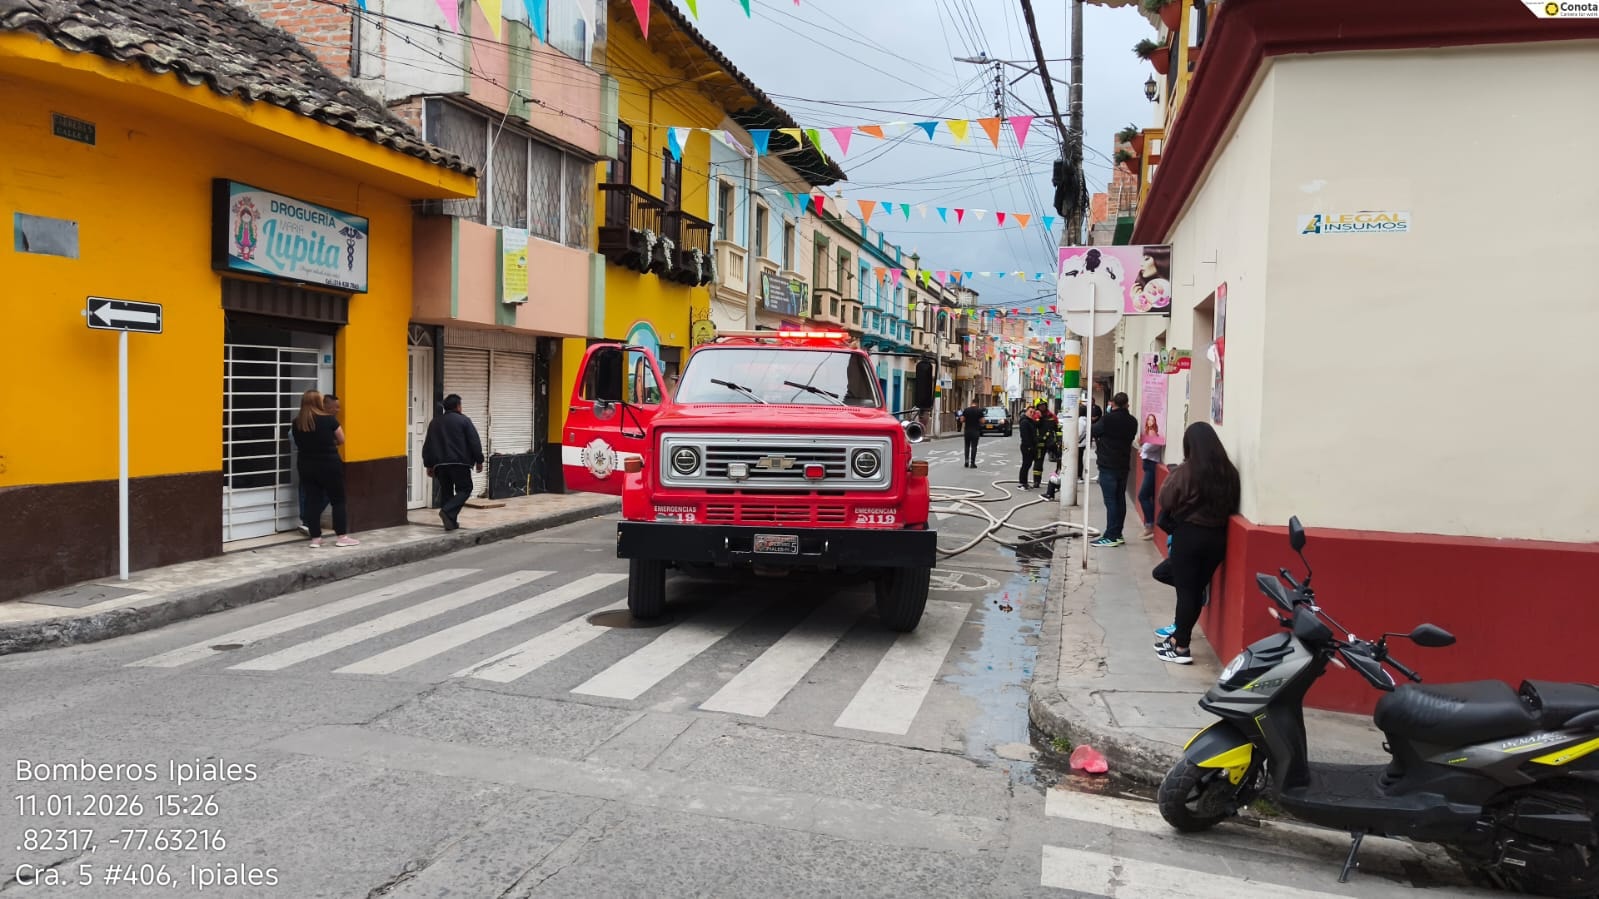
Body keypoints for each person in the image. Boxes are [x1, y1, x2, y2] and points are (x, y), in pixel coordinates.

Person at [1154, 422, 1240, 665]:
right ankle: (1177, 639)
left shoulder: (1185, 471)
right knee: (1192, 591)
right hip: (1216, 539)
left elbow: (1166, 499)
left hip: (1189, 537)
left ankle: (1181, 646)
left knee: (1187, 593)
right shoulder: (1229, 472)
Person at [292, 390, 357, 548]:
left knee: (312, 500)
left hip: (306, 465)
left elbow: (298, 442)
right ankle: (341, 537)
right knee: (338, 500)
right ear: (319, 403)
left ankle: (315, 538)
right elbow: (341, 439)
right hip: (328, 464)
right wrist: (328, 443)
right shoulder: (329, 420)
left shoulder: (297, 422)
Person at [422, 394, 484, 531]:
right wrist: (479, 460)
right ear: (458, 406)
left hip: (440, 466)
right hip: (459, 463)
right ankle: (448, 512)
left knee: (447, 492)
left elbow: (428, 445)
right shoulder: (464, 421)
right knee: (465, 489)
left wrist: (429, 464)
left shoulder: (435, 422)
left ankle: (450, 523)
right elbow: (474, 442)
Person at [1090, 392, 1138, 547]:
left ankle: (1110, 535)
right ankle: (1118, 533)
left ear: (1113, 404)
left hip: (1108, 465)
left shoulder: (1107, 419)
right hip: (1123, 465)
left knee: (1110, 501)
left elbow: (1094, 431)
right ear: (1127, 404)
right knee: (1120, 499)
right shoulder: (1132, 421)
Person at [1138, 413, 1165, 540]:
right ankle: (1150, 524)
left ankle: (1149, 525)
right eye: (1148, 419)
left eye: (1152, 420)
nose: (1149, 421)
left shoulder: (1153, 434)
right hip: (1148, 465)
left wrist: (1142, 447)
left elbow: (1146, 449)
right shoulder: (1149, 433)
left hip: (1152, 466)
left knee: (1143, 495)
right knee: (1148, 496)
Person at [1031, 401, 1059, 488]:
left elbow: (1057, 428)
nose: (1042, 407)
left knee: (1060, 459)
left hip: (1051, 442)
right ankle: (1036, 481)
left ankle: (1059, 478)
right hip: (1040, 443)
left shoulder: (1052, 416)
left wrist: (1058, 441)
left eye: (1044, 405)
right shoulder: (1036, 416)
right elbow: (1034, 425)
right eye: (1040, 406)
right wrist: (1038, 416)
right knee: (1038, 463)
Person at [1017, 406, 1040, 489]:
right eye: (1030, 412)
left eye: (1033, 412)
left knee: (1028, 465)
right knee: (1025, 465)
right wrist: (1029, 447)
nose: (1032, 414)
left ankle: (1025, 482)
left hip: (1031, 446)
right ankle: (1022, 483)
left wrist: (1038, 416)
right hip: (1027, 447)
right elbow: (1025, 436)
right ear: (1026, 411)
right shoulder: (1024, 422)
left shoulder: (1030, 421)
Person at [959, 401, 984, 468]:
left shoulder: (966, 410)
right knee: (974, 447)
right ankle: (972, 463)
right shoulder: (979, 411)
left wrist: (966, 420)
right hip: (975, 431)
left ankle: (966, 461)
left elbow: (961, 420)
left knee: (967, 446)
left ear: (971, 403)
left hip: (967, 431)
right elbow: (982, 421)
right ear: (977, 404)